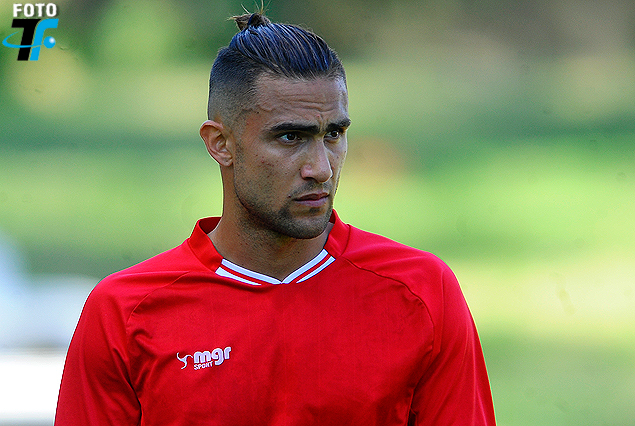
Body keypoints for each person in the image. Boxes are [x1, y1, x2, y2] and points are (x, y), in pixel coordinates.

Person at [55, 12, 496, 426]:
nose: (321, 168)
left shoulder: (422, 291)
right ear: (220, 144)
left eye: (334, 134)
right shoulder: (124, 312)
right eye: (290, 136)